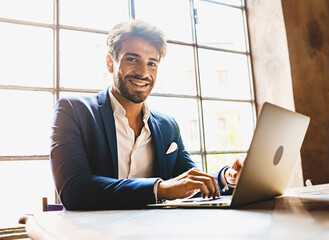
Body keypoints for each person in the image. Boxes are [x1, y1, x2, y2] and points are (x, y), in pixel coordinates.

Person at [50, 20, 242, 210]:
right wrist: (160, 189)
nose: (143, 72)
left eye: (152, 63)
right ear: (111, 63)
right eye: (132, 59)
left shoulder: (168, 126)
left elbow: (190, 183)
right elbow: (74, 190)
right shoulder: (73, 111)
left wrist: (228, 177)